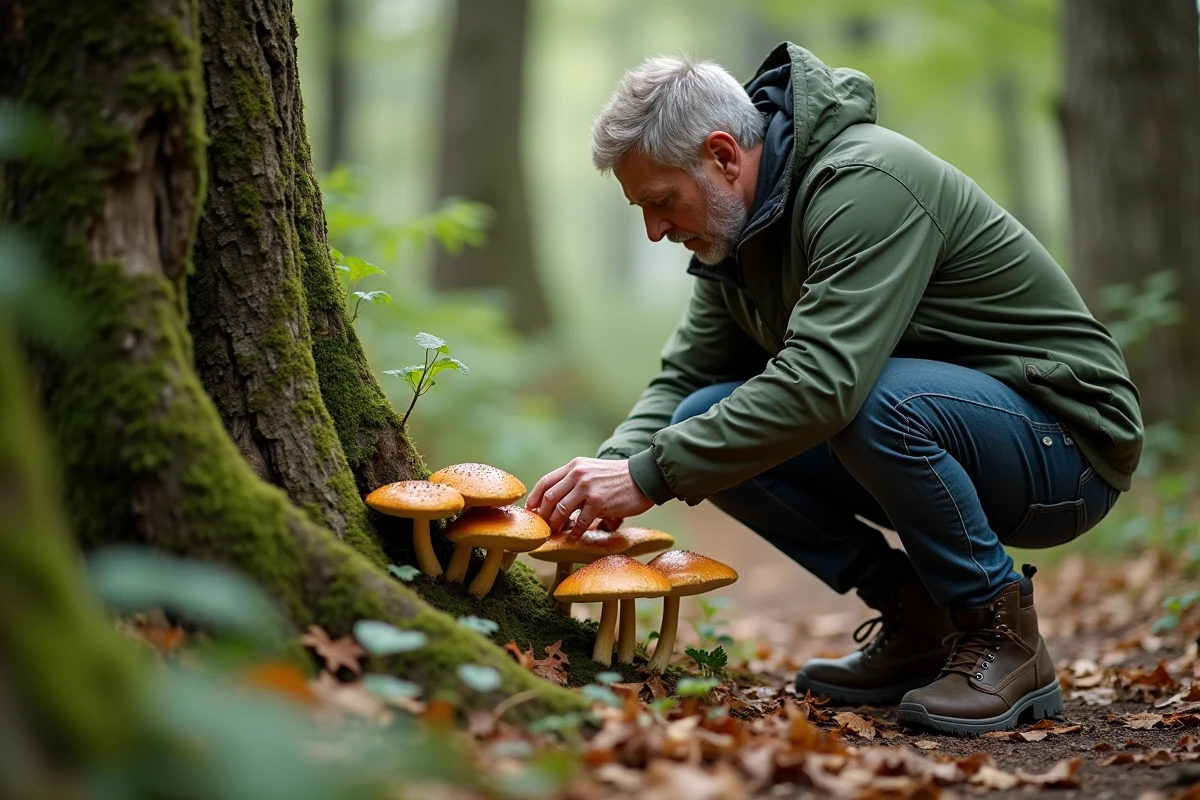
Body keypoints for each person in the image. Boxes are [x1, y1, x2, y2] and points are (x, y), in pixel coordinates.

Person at [524, 43, 1142, 735]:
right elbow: (686, 380)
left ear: (723, 156)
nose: (654, 229)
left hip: (1065, 446)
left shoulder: (866, 182)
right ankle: (920, 620)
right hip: (955, 432)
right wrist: (610, 473)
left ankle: (1003, 635)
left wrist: (647, 475)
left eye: (662, 201)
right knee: (703, 416)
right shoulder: (738, 237)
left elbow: (824, 383)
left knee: (870, 399)